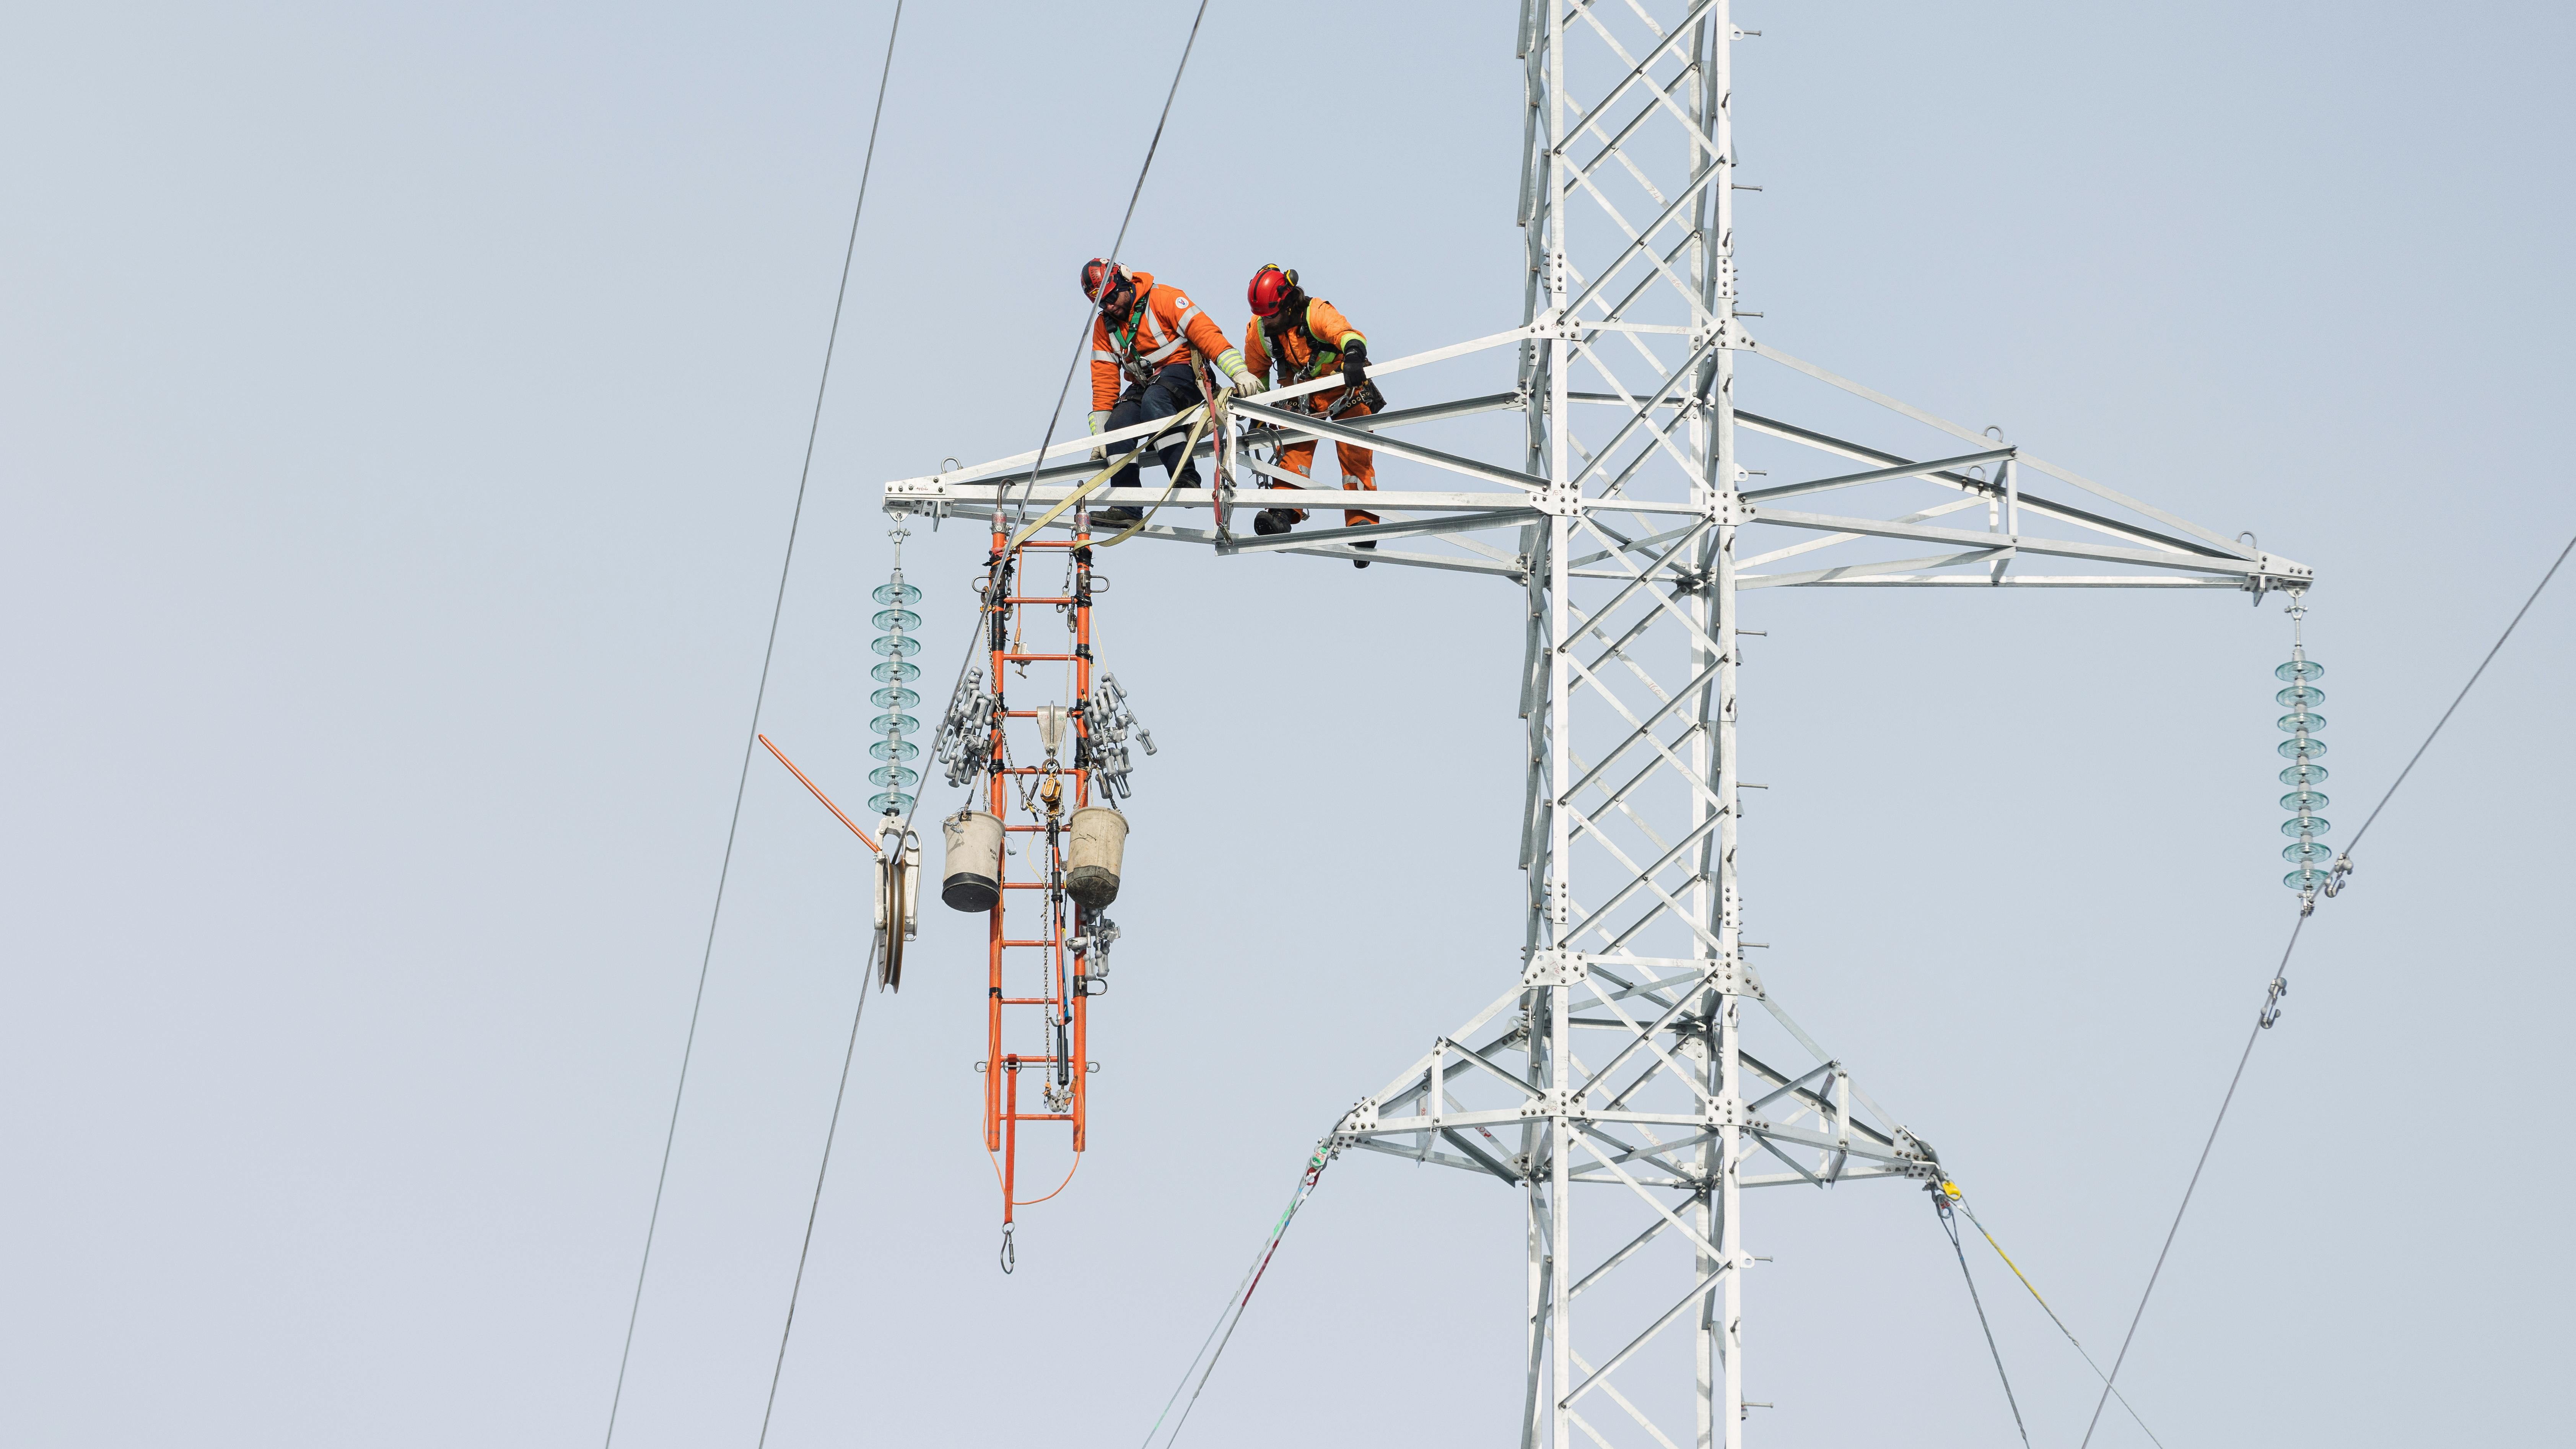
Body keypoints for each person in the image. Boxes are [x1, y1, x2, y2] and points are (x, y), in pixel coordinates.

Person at [1082, 259, 1261, 526]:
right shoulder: (1104, 328)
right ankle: (1127, 507)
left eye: (1111, 297)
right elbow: (1104, 384)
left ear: (1125, 282)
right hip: (1147, 384)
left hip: (1187, 376)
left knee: (1156, 399)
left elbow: (1208, 337)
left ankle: (1184, 477)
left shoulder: (1165, 299)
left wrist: (1239, 373)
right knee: (1117, 427)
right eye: (1102, 303)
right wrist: (1101, 438)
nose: (1109, 306)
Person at [1241, 264, 1381, 566]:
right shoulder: (1260, 329)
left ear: (1288, 302)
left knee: (1355, 452)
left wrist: (1354, 357)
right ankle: (1282, 512)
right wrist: (1257, 412)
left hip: (1342, 385)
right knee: (1292, 450)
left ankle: (1362, 524)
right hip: (1299, 390)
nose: (1267, 322)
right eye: (1263, 316)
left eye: (1272, 315)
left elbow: (1347, 336)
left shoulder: (1315, 312)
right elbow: (1256, 375)